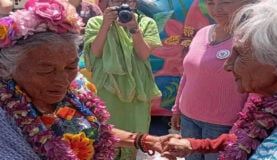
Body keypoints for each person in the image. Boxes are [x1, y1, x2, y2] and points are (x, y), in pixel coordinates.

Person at [0, 0, 169, 159]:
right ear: (7, 69)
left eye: (71, 67)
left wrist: (146, 141)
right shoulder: (5, 116)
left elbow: (94, 130)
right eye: (46, 71)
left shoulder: (76, 90)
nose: (63, 81)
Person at [160, 0, 277, 159]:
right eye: (210, 2)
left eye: (239, 54)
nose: (228, 65)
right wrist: (194, 144)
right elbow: (247, 137)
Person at [170, 0, 255, 159]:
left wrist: (245, 123)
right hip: (189, 118)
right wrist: (177, 108)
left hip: (224, 125)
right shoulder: (202, 32)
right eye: (211, 3)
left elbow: (256, 88)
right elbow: (188, 73)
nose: (216, 9)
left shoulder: (250, 39)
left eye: (225, 2)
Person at [83, 0, 162, 159]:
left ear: (134, 3)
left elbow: (144, 54)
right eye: (116, 1)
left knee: (134, 133)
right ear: (109, 2)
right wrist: (105, 24)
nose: (121, 5)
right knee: (105, 132)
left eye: (126, 1)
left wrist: (134, 28)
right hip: (107, 88)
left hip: (136, 89)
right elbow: (96, 52)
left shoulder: (146, 23)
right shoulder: (96, 22)